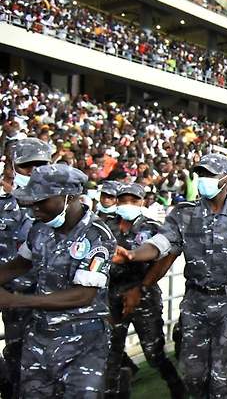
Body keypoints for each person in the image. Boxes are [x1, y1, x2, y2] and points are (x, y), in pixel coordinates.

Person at [112, 153, 227, 398]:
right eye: (201, 174)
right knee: (193, 376)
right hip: (195, 303)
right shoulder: (183, 213)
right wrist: (133, 254)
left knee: (221, 381)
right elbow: (160, 244)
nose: (204, 180)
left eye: (210, 175)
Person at [0, 164, 115, 397]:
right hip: (40, 337)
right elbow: (21, 264)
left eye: (41, 201)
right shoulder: (39, 228)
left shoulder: (97, 235)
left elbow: (84, 294)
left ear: (69, 197)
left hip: (84, 341)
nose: (34, 208)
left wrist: (14, 301)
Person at [104, 183, 184, 399]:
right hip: (112, 299)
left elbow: (164, 258)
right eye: (124, 200)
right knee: (110, 354)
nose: (128, 204)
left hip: (143, 297)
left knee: (154, 352)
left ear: (142, 202)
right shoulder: (106, 225)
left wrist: (142, 287)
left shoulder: (152, 227)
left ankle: (177, 388)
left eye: (134, 200)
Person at [0, 137, 52, 398]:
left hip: (55, 301)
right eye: (26, 167)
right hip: (12, 302)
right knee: (17, 364)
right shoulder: (2, 206)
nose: (33, 173)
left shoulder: (62, 207)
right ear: (12, 166)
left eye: (40, 166)